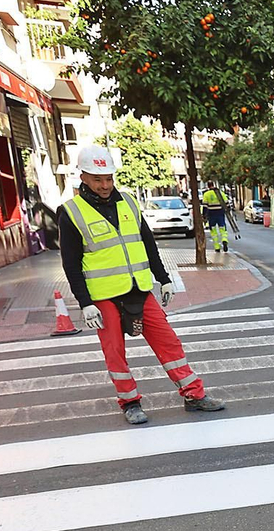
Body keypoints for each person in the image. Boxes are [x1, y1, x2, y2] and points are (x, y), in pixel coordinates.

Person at [59, 146, 225, 425]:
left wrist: (164, 279)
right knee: (115, 352)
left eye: (109, 178)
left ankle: (194, 395)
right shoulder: (71, 212)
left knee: (169, 342)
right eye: (98, 179)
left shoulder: (129, 203)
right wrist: (84, 303)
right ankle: (130, 402)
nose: (105, 185)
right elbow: (71, 264)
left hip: (139, 288)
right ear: (83, 177)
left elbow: (148, 244)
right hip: (103, 297)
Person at [201, 184, 231, 252]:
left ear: (208, 186)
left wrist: (204, 216)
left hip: (211, 215)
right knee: (223, 229)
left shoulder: (206, 194)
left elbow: (205, 206)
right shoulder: (220, 193)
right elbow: (227, 203)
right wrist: (228, 211)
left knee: (213, 232)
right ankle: (224, 240)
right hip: (220, 214)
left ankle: (217, 247)